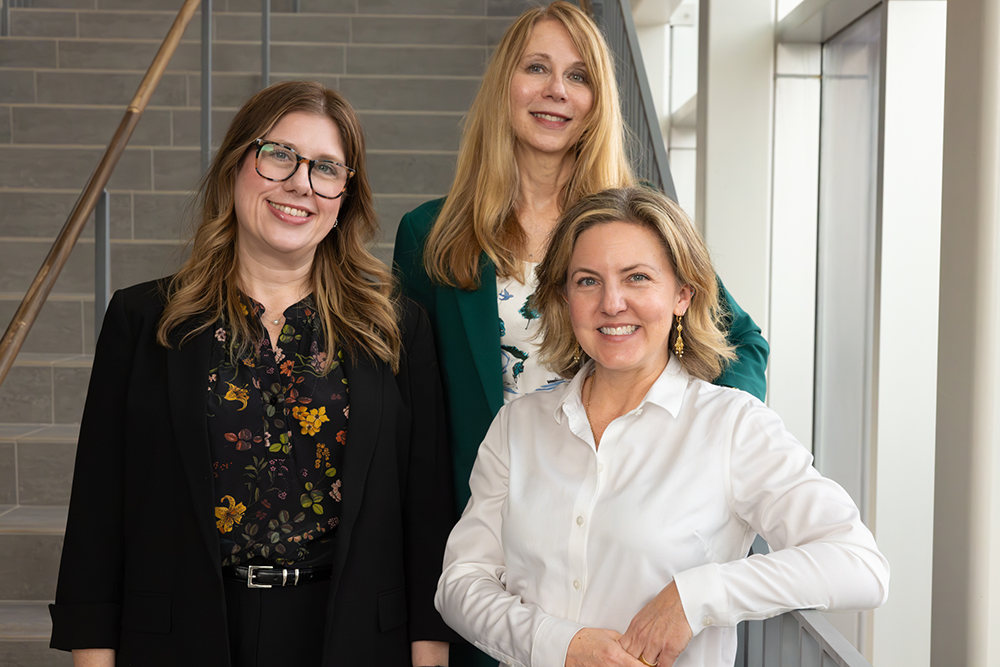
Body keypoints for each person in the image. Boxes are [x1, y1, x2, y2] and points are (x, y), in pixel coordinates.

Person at [49, 81, 456, 667]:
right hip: (183, 633)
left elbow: (426, 511)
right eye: (279, 155)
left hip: (353, 636)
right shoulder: (144, 321)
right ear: (237, 164)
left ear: (346, 196)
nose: (300, 184)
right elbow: (97, 508)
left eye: (327, 168)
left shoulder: (395, 327)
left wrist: (430, 655)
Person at [435, 186, 889, 667]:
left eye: (637, 278)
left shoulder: (734, 426)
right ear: (565, 297)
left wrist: (695, 599)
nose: (612, 303)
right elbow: (460, 584)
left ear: (682, 295)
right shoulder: (518, 425)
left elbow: (858, 564)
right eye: (588, 281)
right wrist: (558, 645)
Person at [392, 1, 769, 524]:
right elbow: (410, 404)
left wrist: (705, 457)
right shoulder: (429, 234)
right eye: (536, 68)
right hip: (489, 516)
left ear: (597, 101)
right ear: (505, 84)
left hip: (623, 515)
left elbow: (740, 344)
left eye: (578, 75)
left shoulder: (638, 221)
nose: (557, 90)